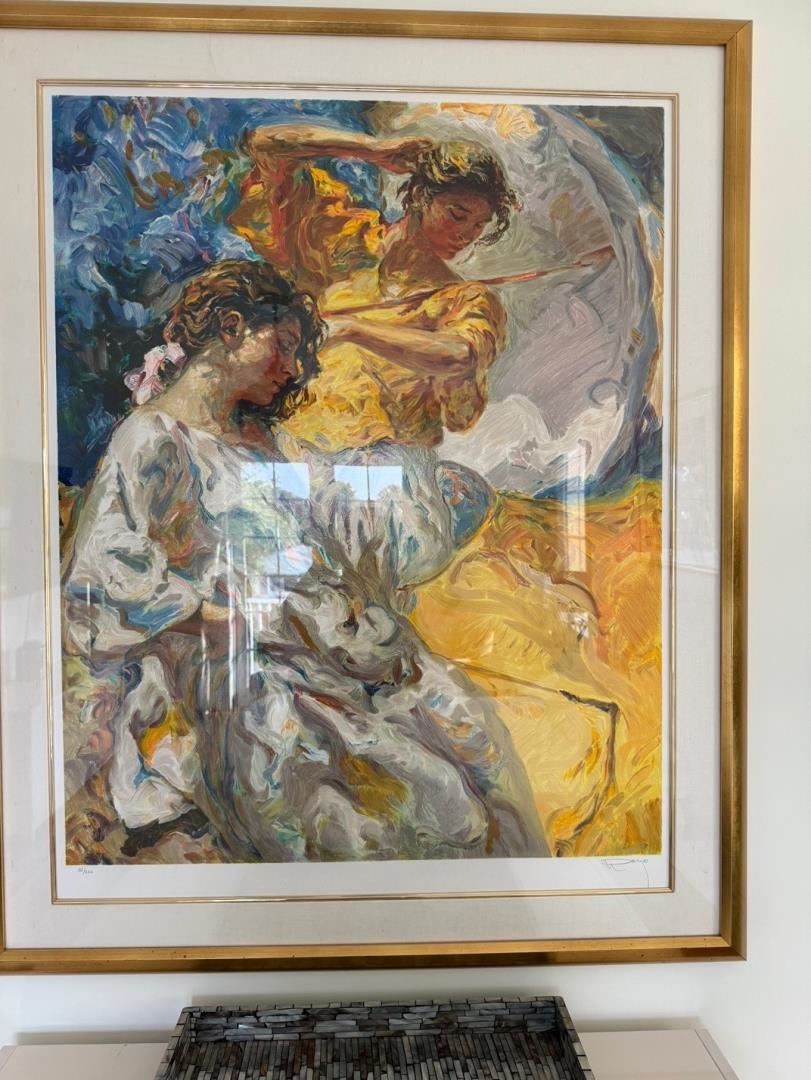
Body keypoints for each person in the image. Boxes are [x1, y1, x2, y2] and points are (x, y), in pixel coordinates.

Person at [62, 258, 549, 864]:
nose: (292, 369)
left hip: (324, 635)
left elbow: (329, 509)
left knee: (471, 745)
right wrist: (207, 615)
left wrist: (417, 494)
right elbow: (104, 572)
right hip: (240, 659)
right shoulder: (155, 438)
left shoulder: (272, 444)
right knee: (372, 802)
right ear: (232, 327)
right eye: (285, 344)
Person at [231, 126, 518, 453]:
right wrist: (372, 149)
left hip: (379, 459)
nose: (467, 235)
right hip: (289, 443)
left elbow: (460, 355)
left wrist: (352, 330)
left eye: (479, 225)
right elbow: (265, 145)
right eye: (457, 215)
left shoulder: (463, 299)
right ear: (421, 198)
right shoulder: (345, 239)